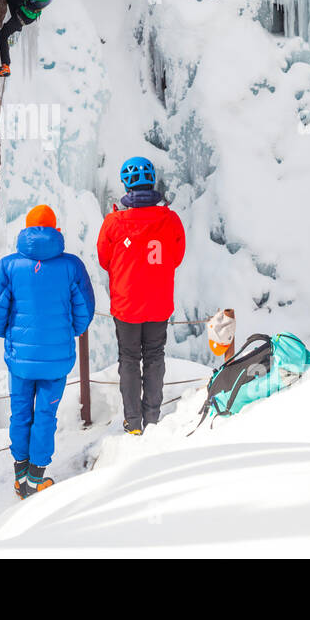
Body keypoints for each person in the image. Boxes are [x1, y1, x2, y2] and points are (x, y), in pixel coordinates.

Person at [0, 204, 94, 497]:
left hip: (20, 360)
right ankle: (36, 478)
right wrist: (68, 331)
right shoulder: (71, 266)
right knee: (45, 414)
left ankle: (20, 476)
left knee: (20, 413)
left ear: (27, 230)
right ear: (56, 230)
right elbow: (84, 313)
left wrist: (9, 332)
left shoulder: (9, 266)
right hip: (56, 359)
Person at [96, 157, 186, 435]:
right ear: (152, 181)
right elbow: (176, 256)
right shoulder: (170, 219)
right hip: (159, 303)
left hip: (127, 305)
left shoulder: (113, 222)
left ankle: (133, 422)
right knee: (155, 356)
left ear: (126, 184)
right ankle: (153, 417)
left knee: (130, 359)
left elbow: (104, 259)